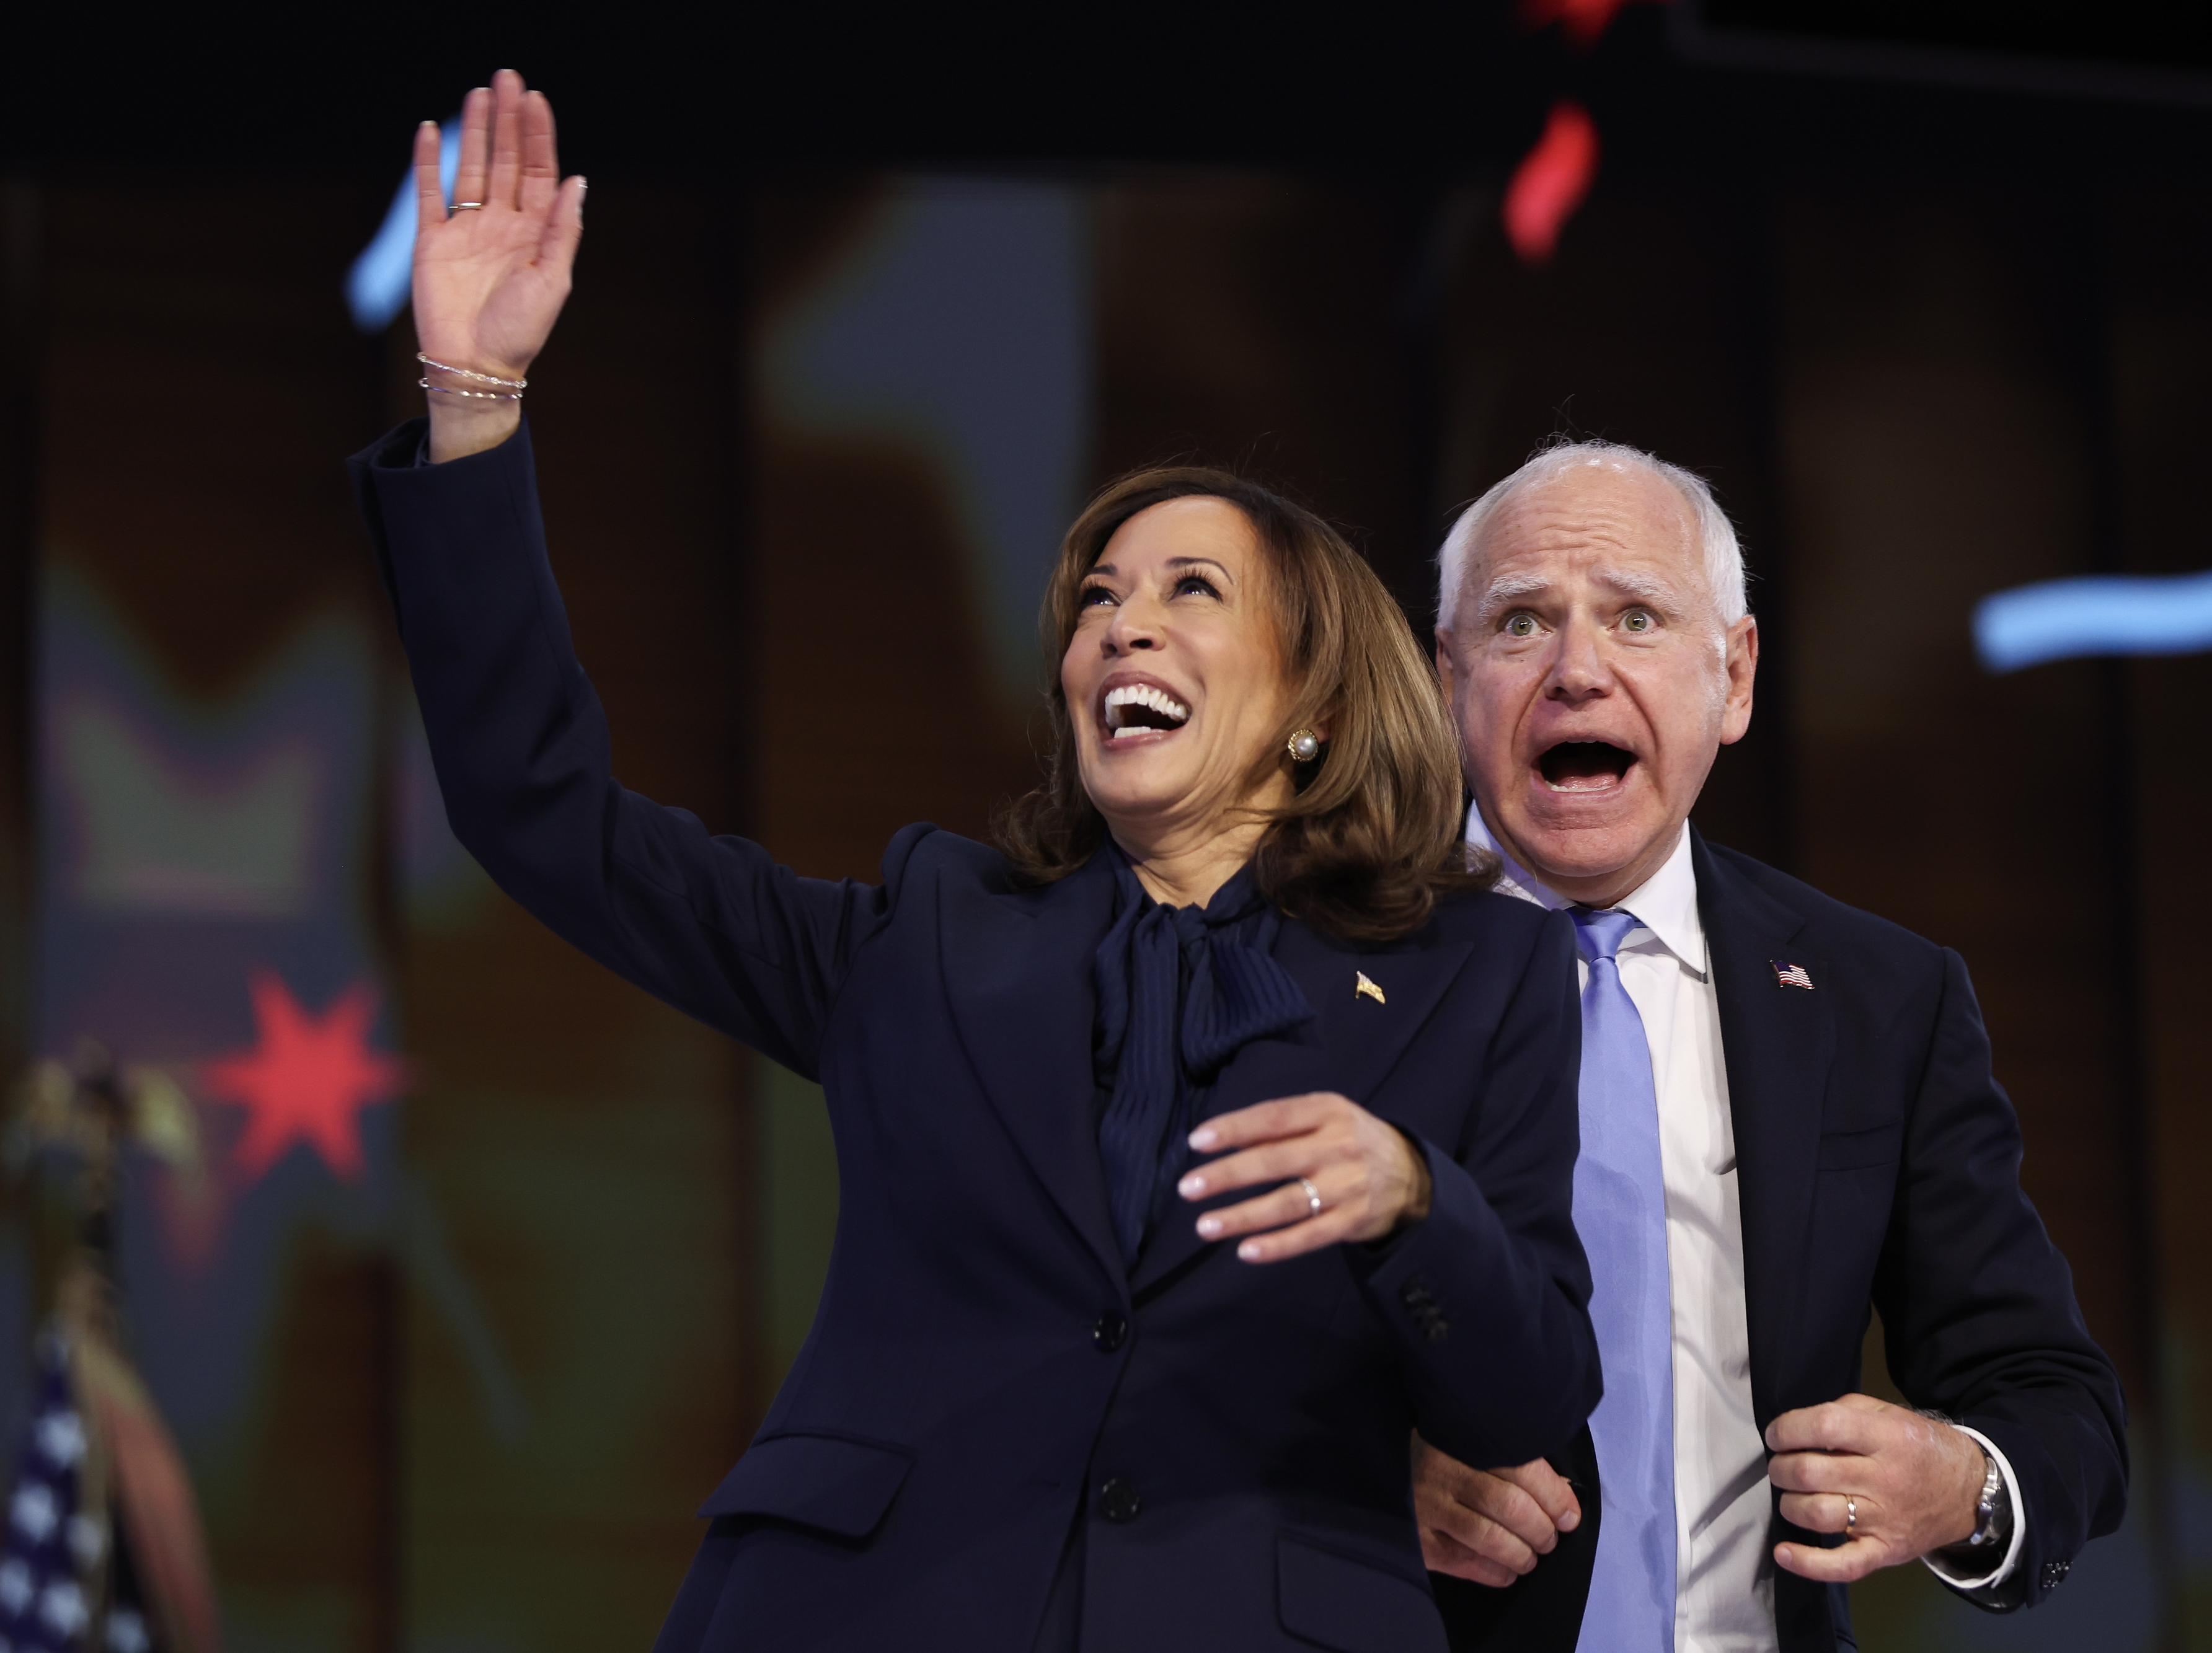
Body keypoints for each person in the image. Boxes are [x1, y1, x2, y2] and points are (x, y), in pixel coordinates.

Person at [350, 72, 1599, 1653]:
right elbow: (544, 813)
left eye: (1189, 589)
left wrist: (1412, 1197)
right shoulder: (928, 934)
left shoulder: (1475, 975)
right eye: (1096, 596)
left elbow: (1534, 1383)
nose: (1119, 622)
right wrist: (473, 397)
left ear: (1313, 703)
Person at [1413, 440, 2129, 1653]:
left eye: (1635, 615)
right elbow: (1141, 1364)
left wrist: (1960, 1481)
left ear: (1732, 677)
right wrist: (1358, 1473)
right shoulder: (1309, 960)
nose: (1576, 669)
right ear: (1446, 679)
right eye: (1521, 620)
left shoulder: (1880, 997)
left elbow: (2054, 1400)